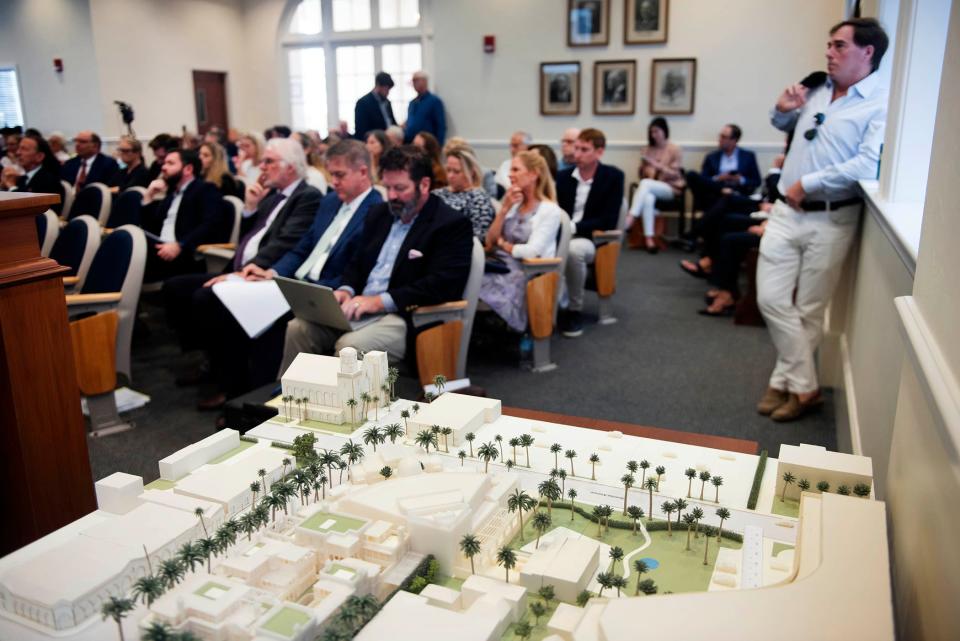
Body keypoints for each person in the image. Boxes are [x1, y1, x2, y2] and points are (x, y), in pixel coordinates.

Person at [756, 17, 888, 422]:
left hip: (832, 218)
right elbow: (784, 127)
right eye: (829, 45)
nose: (829, 53)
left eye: (839, 46)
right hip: (784, 213)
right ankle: (806, 386)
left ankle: (783, 382)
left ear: (867, 52)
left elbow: (868, 163)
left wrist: (808, 183)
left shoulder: (883, 101)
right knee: (771, 299)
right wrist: (782, 110)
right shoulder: (815, 87)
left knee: (810, 309)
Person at [166, 138, 329, 407]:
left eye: (269, 161)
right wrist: (252, 207)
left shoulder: (307, 196)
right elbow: (250, 239)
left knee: (205, 299)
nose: (262, 167)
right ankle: (212, 362)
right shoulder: (272, 196)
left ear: (290, 167)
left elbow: (284, 243)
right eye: (263, 160)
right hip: (243, 270)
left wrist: (238, 274)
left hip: (264, 275)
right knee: (175, 288)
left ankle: (233, 386)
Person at [279, 145, 472, 370]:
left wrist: (381, 301)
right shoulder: (379, 214)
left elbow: (442, 285)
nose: (392, 196)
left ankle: (341, 405)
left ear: (425, 184)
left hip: (404, 315)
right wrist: (346, 289)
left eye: (400, 188)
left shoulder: (450, 224)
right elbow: (357, 263)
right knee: (298, 328)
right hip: (359, 306)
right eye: (387, 187)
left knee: (349, 347)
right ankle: (288, 400)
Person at [480, 150, 562, 332]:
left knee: (474, 280)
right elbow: (490, 241)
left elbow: (532, 251)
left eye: (516, 169)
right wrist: (503, 209)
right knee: (468, 272)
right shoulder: (514, 204)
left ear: (533, 174)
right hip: (500, 262)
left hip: (524, 269)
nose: (510, 174)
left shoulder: (549, 210)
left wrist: (504, 244)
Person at [556, 128, 624, 337]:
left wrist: (573, 228)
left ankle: (574, 309)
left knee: (573, 250)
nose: (577, 154)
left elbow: (608, 219)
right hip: (562, 234)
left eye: (584, 149)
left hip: (591, 239)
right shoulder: (563, 177)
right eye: (576, 148)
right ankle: (547, 307)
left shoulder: (612, 176)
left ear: (599, 151)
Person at [140, 148, 223, 282]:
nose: (163, 167)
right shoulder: (171, 195)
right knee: (130, 240)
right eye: (164, 163)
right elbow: (152, 227)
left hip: (183, 256)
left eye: (170, 163)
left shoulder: (206, 189)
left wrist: (180, 245)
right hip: (160, 250)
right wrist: (149, 196)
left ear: (188, 169)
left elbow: (210, 225)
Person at [625, 117, 685, 253]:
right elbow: (643, 175)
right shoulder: (648, 149)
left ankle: (631, 217)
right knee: (648, 198)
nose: (654, 135)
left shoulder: (675, 149)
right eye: (651, 132)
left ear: (664, 131)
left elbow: (676, 174)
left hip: (670, 188)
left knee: (645, 184)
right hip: (651, 186)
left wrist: (656, 165)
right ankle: (649, 239)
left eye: (656, 131)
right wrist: (643, 166)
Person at [685, 124, 762, 213]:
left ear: (734, 140)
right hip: (715, 193)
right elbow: (704, 180)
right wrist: (719, 178)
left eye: (724, 137)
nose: (720, 139)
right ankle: (723, 191)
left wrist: (740, 179)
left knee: (725, 204)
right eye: (720, 136)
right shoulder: (711, 157)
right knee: (691, 174)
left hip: (737, 193)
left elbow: (757, 181)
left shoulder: (748, 156)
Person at [433, 144, 495, 239]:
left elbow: (479, 236)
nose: (450, 176)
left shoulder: (479, 199)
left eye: (456, 172)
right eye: (448, 170)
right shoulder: (436, 194)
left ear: (471, 172)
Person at [0, 133, 66, 214]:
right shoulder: (22, 178)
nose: (18, 153)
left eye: (24, 149)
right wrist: (3, 186)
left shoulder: (49, 181)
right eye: (19, 148)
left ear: (39, 156)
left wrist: (12, 186)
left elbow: (29, 210)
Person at [404, 71, 446, 145]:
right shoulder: (412, 103)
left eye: (416, 81)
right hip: (411, 143)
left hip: (427, 144)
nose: (414, 84)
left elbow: (440, 126)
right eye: (413, 81)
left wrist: (439, 145)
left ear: (424, 81)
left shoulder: (434, 101)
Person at [355, 72, 397, 141]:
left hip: (389, 140)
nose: (388, 92)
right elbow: (361, 130)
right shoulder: (363, 103)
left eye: (389, 89)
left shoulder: (387, 102)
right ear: (378, 86)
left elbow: (392, 122)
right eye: (386, 89)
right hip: (374, 141)